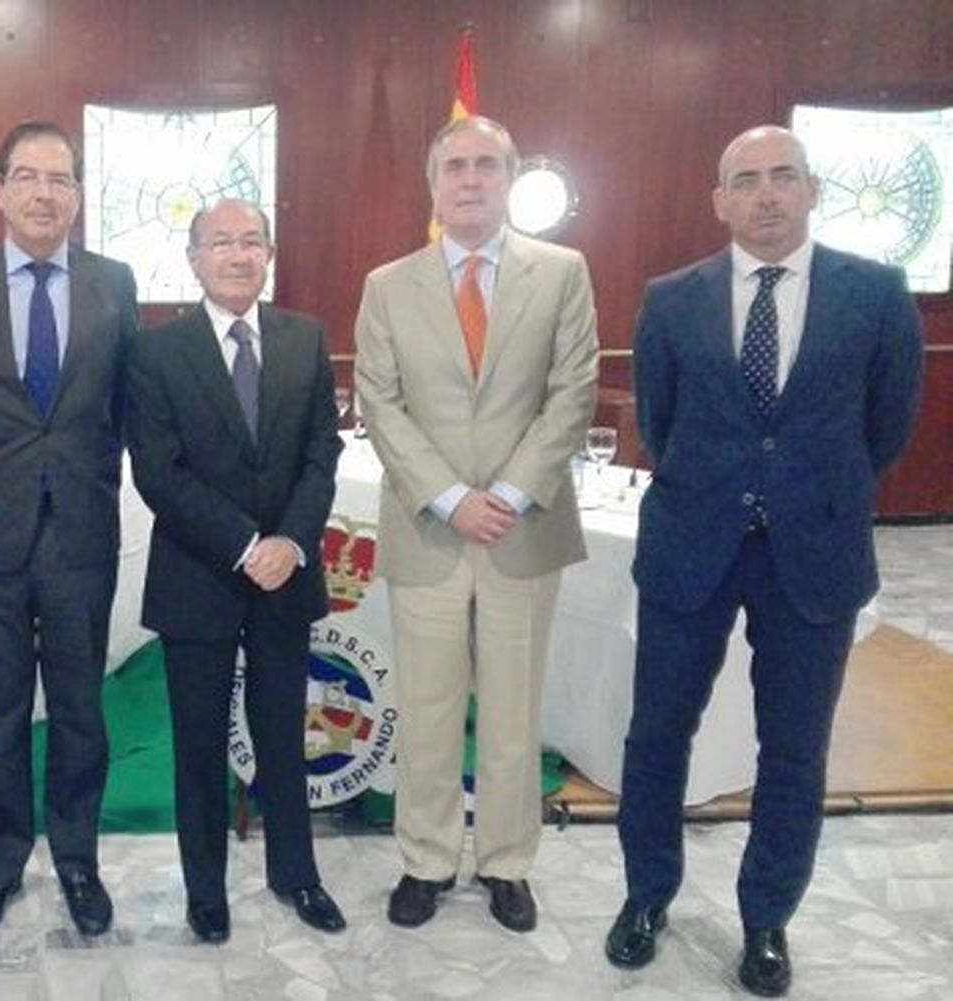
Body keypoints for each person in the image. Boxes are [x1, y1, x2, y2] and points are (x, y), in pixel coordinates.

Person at [606, 125, 923, 997]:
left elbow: (886, 427)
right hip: (691, 546)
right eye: (747, 181)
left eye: (784, 177)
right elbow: (662, 426)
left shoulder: (876, 293)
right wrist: (728, 486)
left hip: (812, 552)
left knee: (794, 748)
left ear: (812, 189)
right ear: (720, 201)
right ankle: (645, 896)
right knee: (656, 733)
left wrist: (803, 489)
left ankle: (766, 918)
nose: (767, 195)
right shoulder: (672, 299)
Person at [354, 116, 597, 934]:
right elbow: (380, 403)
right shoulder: (388, 284)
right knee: (425, 708)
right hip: (429, 530)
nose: (469, 179)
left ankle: (505, 863)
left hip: (522, 534)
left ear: (509, 177)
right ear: (434, 184)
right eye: (454, 165)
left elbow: (572, 393)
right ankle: (425, 859)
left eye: (485, 165)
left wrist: (514, 492)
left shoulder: (562, 272)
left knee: (511, 711)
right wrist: (451, 495)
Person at [0, 120, 139, 940]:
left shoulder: (114, 281)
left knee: (82, 708)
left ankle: (77, 859)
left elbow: (122, 405)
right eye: (30, 177)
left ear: (78, 194)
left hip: (80, 528)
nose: (46, 193)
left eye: (62, 179)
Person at [127, 199, 347, 943]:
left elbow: (324, 453)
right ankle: (205, 890)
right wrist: (245, 543)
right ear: (193, 258)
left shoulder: (304, 337)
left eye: (251, 241)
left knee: (284, 735)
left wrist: (288, 541)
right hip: (200, 574)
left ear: (270, 252)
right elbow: (159, 472)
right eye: (220, 242)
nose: (237, 254)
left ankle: (297, 874)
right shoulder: (157, 351)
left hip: (286, 575)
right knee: (197, 742)